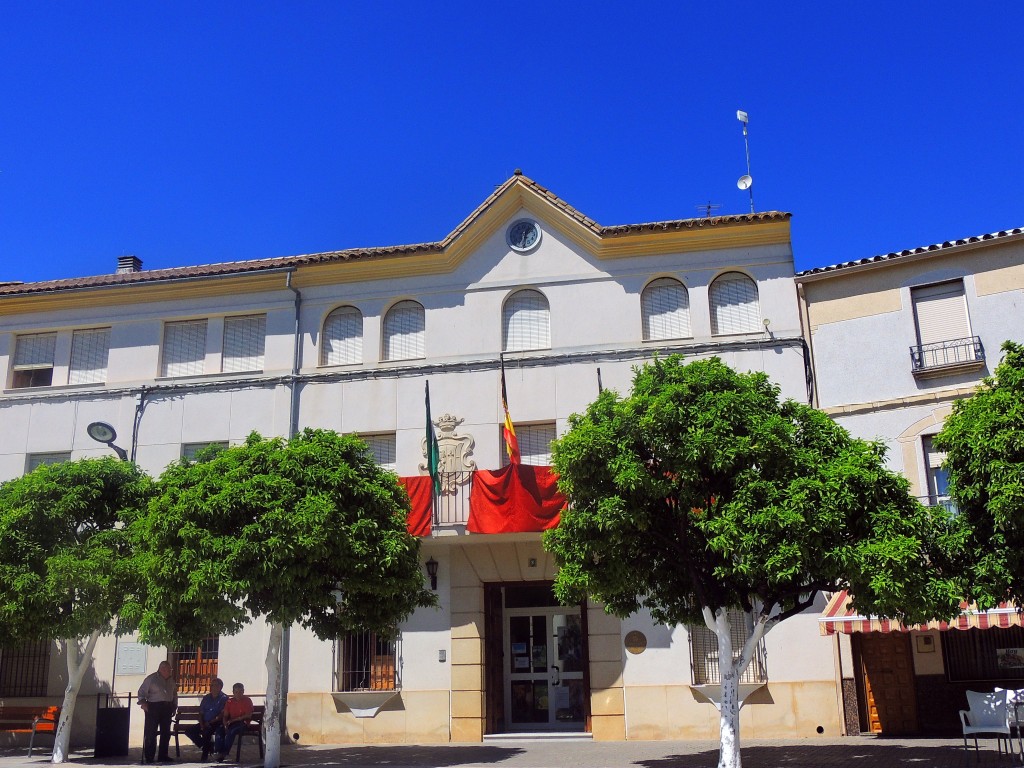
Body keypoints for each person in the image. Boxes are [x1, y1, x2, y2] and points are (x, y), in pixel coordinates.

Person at [138, 660, 178, 764]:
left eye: (170, 669)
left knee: (166, 733)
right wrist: (143, 704)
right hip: (153, 707)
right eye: (168, 670)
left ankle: (163, 756)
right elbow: (141, 692)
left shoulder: (171, 680)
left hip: (167, 708)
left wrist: (174, 706)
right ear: (162, 669)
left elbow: (174, 694)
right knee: (151, 732)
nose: (169, 671)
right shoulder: (151, 679)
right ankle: (149, 757)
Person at [185, 678, 228, 762]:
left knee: (207, 731)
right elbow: (201, 713)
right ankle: (208, 747)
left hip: (217, 722)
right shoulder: (206, 698)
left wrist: (209, 722)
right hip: (204, 722)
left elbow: (222, 714)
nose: (213, 687)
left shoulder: (224, 698)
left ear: (220, 687)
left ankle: (204, 756)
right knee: (189, 731)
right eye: (212, 685)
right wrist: (202, 724)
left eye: (215, 685)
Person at [215, 683, 254, 762]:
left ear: (243, 691)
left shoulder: (247, 700)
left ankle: (224, 753)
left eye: (240, 691)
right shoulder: (229, 701)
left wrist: (233, 720)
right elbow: (225, 715)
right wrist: (225, 723)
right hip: (231, 722)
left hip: (243, 723)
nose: (238, 694)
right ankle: (219, 752)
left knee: (231, 731)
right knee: (219, 730)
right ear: (233, 692)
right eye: (236, 692)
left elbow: (248, 715)